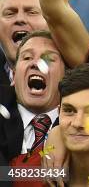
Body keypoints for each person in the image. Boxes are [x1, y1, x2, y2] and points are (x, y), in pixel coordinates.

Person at [0, 31, 64, 165]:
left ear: (67, 76)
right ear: (14, 74)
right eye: (27, 58)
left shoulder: (80, 126)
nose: (36, 64)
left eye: (48, 59)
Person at [0, 0, 49, 86]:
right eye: (10, 13)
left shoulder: (73, 72)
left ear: (50, 23)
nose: (20, 19)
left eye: (31, 12)